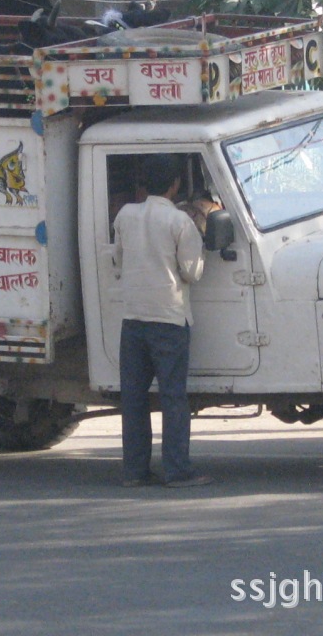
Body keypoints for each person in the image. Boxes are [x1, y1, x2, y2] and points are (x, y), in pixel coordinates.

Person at [112, 154, 212, 487]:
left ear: (142, 184)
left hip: (133, 318)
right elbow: (192, 272)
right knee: (172, 397)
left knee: (134, 398)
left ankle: (134, 471)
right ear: (175, 185)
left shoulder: (125, 215)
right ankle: (177, 470)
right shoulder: (180, 223)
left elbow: (118, 259)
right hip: (169, 318)